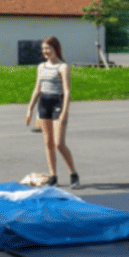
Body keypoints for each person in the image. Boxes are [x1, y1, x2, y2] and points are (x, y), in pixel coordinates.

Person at [26, 36, 80, 188]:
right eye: (43, 48)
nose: (45, 51)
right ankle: (53, 176)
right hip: (44, 105)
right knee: (48, 143)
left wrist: (64, 112)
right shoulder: (41, 67)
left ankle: (74, 174)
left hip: (58, 104)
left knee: (59, 143)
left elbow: (67, 91)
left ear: (56, 49)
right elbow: (37, 89)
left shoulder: (63, 67)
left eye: (48, 48)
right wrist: (30, 108)